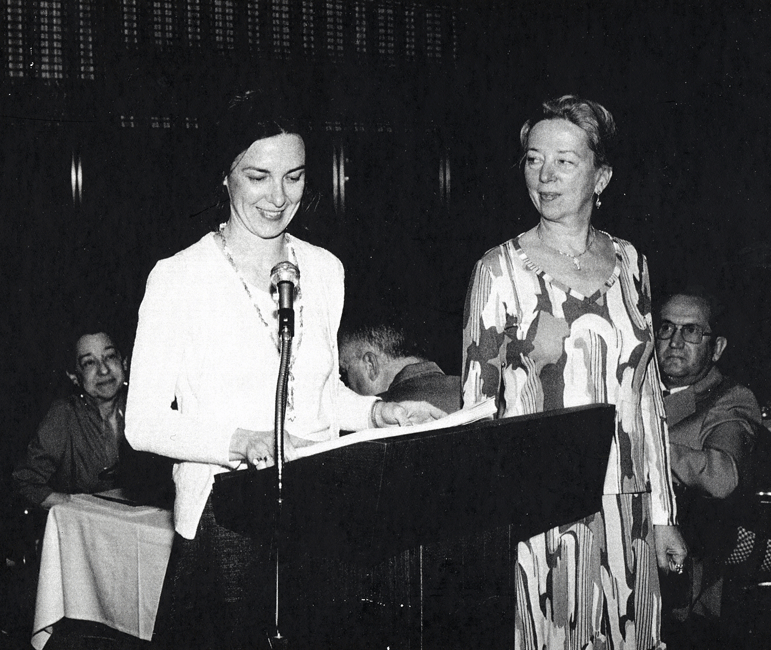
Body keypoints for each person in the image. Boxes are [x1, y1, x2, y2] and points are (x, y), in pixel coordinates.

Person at [125, 90, 443, 649]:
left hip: (321, 514)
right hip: (225, 520)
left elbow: (320, 397)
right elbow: (142, 424)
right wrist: (244, 441)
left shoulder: (323, 270)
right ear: (225, 176)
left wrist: (378, 410)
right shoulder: (178, 278)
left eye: (294, 177)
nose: (278, 197)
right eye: (258, 176)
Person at [462, 95, 687, 649]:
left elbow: (647, 397)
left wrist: (662, 514)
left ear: (601, 175)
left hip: (628, 505)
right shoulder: (499, 270)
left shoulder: (633, 263)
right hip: (538, 513)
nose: (544, 174)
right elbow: (476, 412)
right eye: (533, 159)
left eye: (564, 160)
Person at [657, 290, 771, 626]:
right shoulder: (643, 392)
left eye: (691, 330)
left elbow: (721, 477)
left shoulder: (730, 398)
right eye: (666, 328)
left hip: (744, 550)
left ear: (717, 348)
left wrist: (643, 448)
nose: (675, 341)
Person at [13, 328, 129, 509]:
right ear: (74, 376)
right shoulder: (64, 414)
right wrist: (77, 508)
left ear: (125, 363)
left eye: (110, 356)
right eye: (89, 363)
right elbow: (25, 482)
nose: (104, 370)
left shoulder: (140, 409)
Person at [339, 323, 461, 414]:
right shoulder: (470, 392)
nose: (347, 386)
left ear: (370, 364)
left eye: (345, 373)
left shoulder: (378, 418)